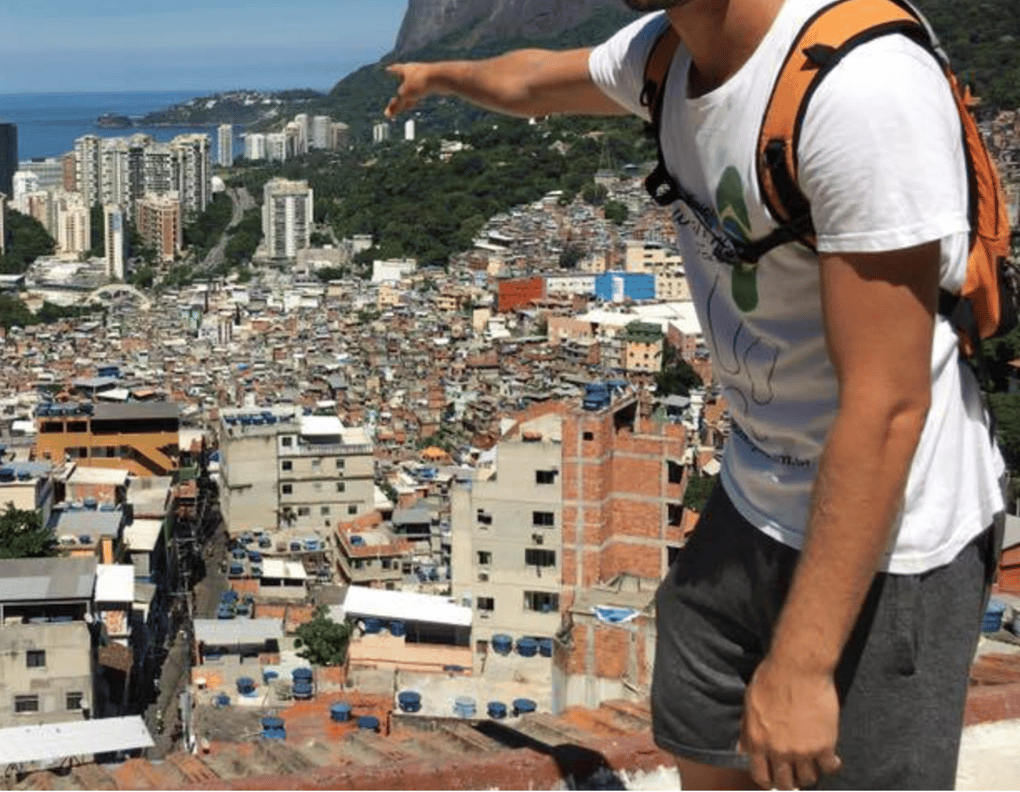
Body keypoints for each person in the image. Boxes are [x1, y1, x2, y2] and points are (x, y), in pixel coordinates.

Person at [387, 0, 1004, 788]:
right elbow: (531, 78)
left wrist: (802, 666)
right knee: (695, 730)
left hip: (896, 533)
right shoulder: (665, 55)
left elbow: (886, 408)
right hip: (753, 499)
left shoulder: (858, 88)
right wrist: (437, 74)